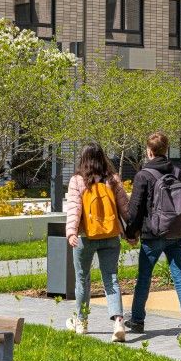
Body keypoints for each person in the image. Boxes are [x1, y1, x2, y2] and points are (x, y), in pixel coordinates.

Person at [124, 132, 181, 341]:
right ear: (166, 150)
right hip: (177, 233)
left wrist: (131, 233)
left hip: (153, 234)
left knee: (144, 277)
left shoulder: (143, 175)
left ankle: (137, 320)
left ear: (149, 151)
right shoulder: (179, 172)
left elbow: (135, 209)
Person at [63, 143, 130, 342]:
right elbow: (125, 209)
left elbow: (74, 209)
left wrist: (71, 232)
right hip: (110, 236)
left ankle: (81, 322)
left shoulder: (77, 181)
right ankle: (118, 321)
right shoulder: (113, 179)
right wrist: (132, 232)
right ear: (103, 158)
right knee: (111, 278)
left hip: (85, 237)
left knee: (82, 279)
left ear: (83, 159)